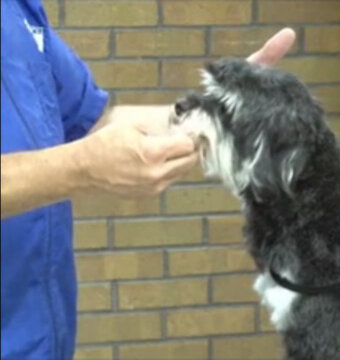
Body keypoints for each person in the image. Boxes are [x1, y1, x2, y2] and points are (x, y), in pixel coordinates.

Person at [0, 1, 296, 358]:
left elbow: (93, 121)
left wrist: (216, 114)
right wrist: (79, 167)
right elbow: (82, 153)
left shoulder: (18, 10)